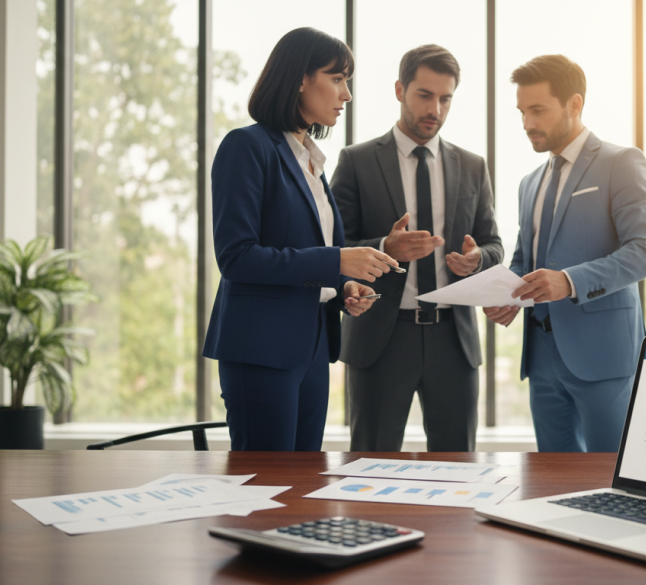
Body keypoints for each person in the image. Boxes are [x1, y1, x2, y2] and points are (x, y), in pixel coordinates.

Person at [202, 27, 397, 451]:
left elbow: (310, 256)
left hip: (311, 347)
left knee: (304, 487)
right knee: (263, 488)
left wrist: (343, 285)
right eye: (338, 79)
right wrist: (337, 262)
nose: (346, 95)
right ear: (301, 79)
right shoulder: (246, 147)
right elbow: (236, 258)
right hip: (262, 350)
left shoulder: (311, 160)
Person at [484, 55, 646, 453]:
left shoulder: (622, 162)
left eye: (538, 111)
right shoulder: (529, 183)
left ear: (574, 104)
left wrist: (570, 281)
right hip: (541, 358)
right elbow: (525, 258)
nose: (527, 123)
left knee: (608, 477)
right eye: (522, 112)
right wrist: (508, 294)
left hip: (602, 356)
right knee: (551, 481)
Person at [332, 45, 503, 452]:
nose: (436, 110)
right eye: (424, 95)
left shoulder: (473, 165)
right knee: (369, 463)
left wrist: (479, 259)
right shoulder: (357, 162)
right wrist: (383, 247)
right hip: (381, 339)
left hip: (453, 339)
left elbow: (494, 244)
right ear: (399, 90)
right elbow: (332, 246)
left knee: (457, 467)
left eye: (446, 99)